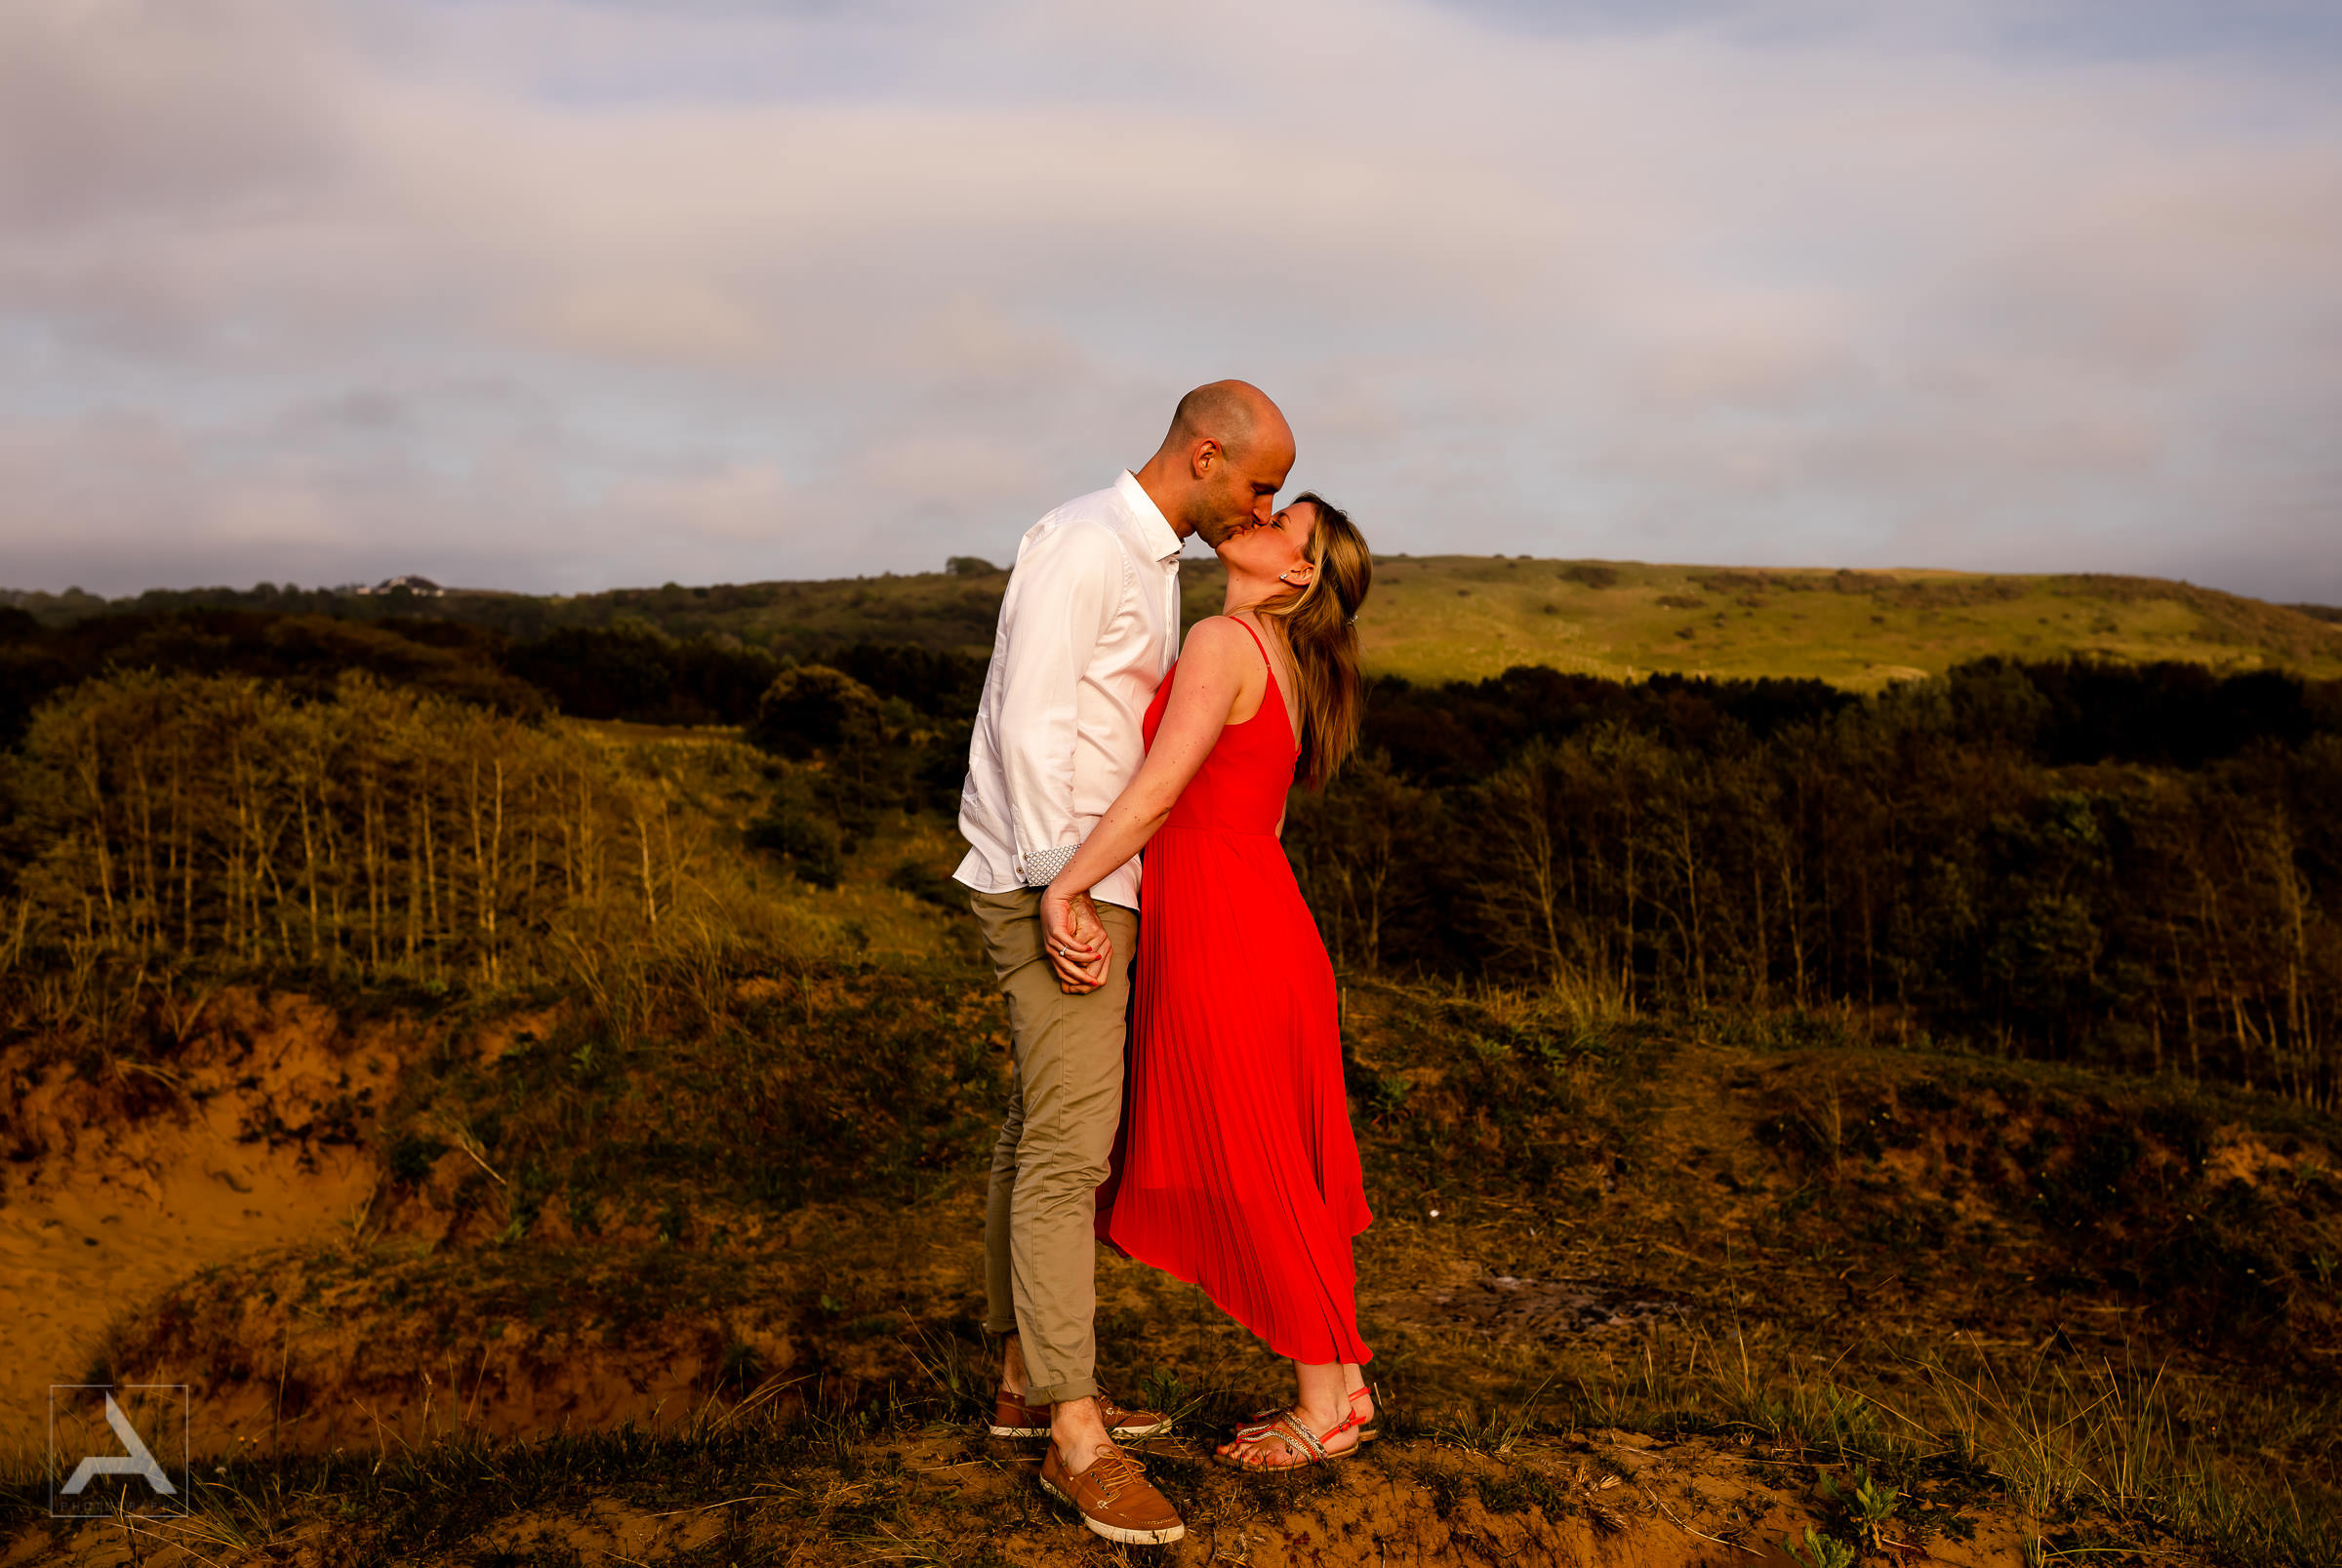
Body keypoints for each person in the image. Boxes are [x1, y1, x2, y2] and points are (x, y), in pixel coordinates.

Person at [952, 382, 1295, 1545]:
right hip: (1064, 886)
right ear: (1206, 454)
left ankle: (1020, 1380)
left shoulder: (1149, 560)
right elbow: (1027, 725)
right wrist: (1067, 892)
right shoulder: (1085, 544)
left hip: (1086, 881)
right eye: (1257, 484)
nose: (1267, 506)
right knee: (1069, 1149)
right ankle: (1075, 1435)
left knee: (1035, 1126)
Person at [1039, 491, 1378, 1470]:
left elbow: (1158, 793)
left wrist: (1068, 883)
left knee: (1259, 1161)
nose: (1257, 516)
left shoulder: (1229, 641)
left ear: (1298, 571)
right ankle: (1346, 1384)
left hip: (1231, 935)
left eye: (1286, 522)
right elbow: (1257, 822)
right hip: (1265, 922)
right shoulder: (1282, 658)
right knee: (1288, 1162)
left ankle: (1325, 1404)